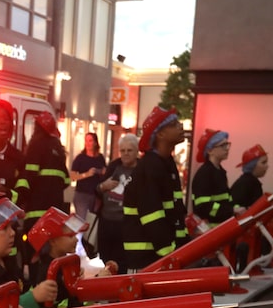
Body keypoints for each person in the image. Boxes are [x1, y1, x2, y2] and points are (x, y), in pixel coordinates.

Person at [122, 106, 188, 271]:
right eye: (173, 124)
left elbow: (173, 211)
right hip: (147, 256)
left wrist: (182, 243)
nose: (180, 126)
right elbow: (152, 215)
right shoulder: (151, 167)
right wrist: (169, 253)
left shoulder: (166, 163)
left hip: (159, 252)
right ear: (160, 134)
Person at [15, 112, 69, 268]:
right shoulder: (58, 149)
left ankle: (35, 289)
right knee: (51, 258)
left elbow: (27, 178)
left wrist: (17, 199)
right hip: (54, 216)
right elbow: (65, 180)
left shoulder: (36, 145)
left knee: (34, 258)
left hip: (35, 215)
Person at [94, 133, 138, 273]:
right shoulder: (114, 166)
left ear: (136, 151)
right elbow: (97, 190)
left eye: (129, 150)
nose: (125, 154)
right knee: (106, 258)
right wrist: (103, 186)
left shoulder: (141, 169)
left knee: (123, 262)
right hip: (106, 222)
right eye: (123, 150)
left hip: (127, 224)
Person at [191, 128, 234, 226]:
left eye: (227, 144)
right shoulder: (204, 174)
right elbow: (204, 207)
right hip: (211, 232)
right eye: (223, 145)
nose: (227, 148)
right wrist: (230, 211)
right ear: (210, 150)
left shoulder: (220, 172)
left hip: (222, 229)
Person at [70, 132, 106, 223]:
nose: (88, 143)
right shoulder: (80, 158)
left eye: (90, 141)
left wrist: (101, 172)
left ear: (95, 143)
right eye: (86, 141)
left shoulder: (100, 158)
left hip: (96, 195)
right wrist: (86, 174)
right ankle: (79, 237)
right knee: (81, 220)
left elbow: (105, 172)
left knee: (93, 220)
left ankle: (88, 237)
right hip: (82, 194)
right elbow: (72, 176)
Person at [231, 144, 269, 214]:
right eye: (263, 162)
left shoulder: (247, 181)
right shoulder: (249, 183)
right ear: (252, 165)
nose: (267, 166)